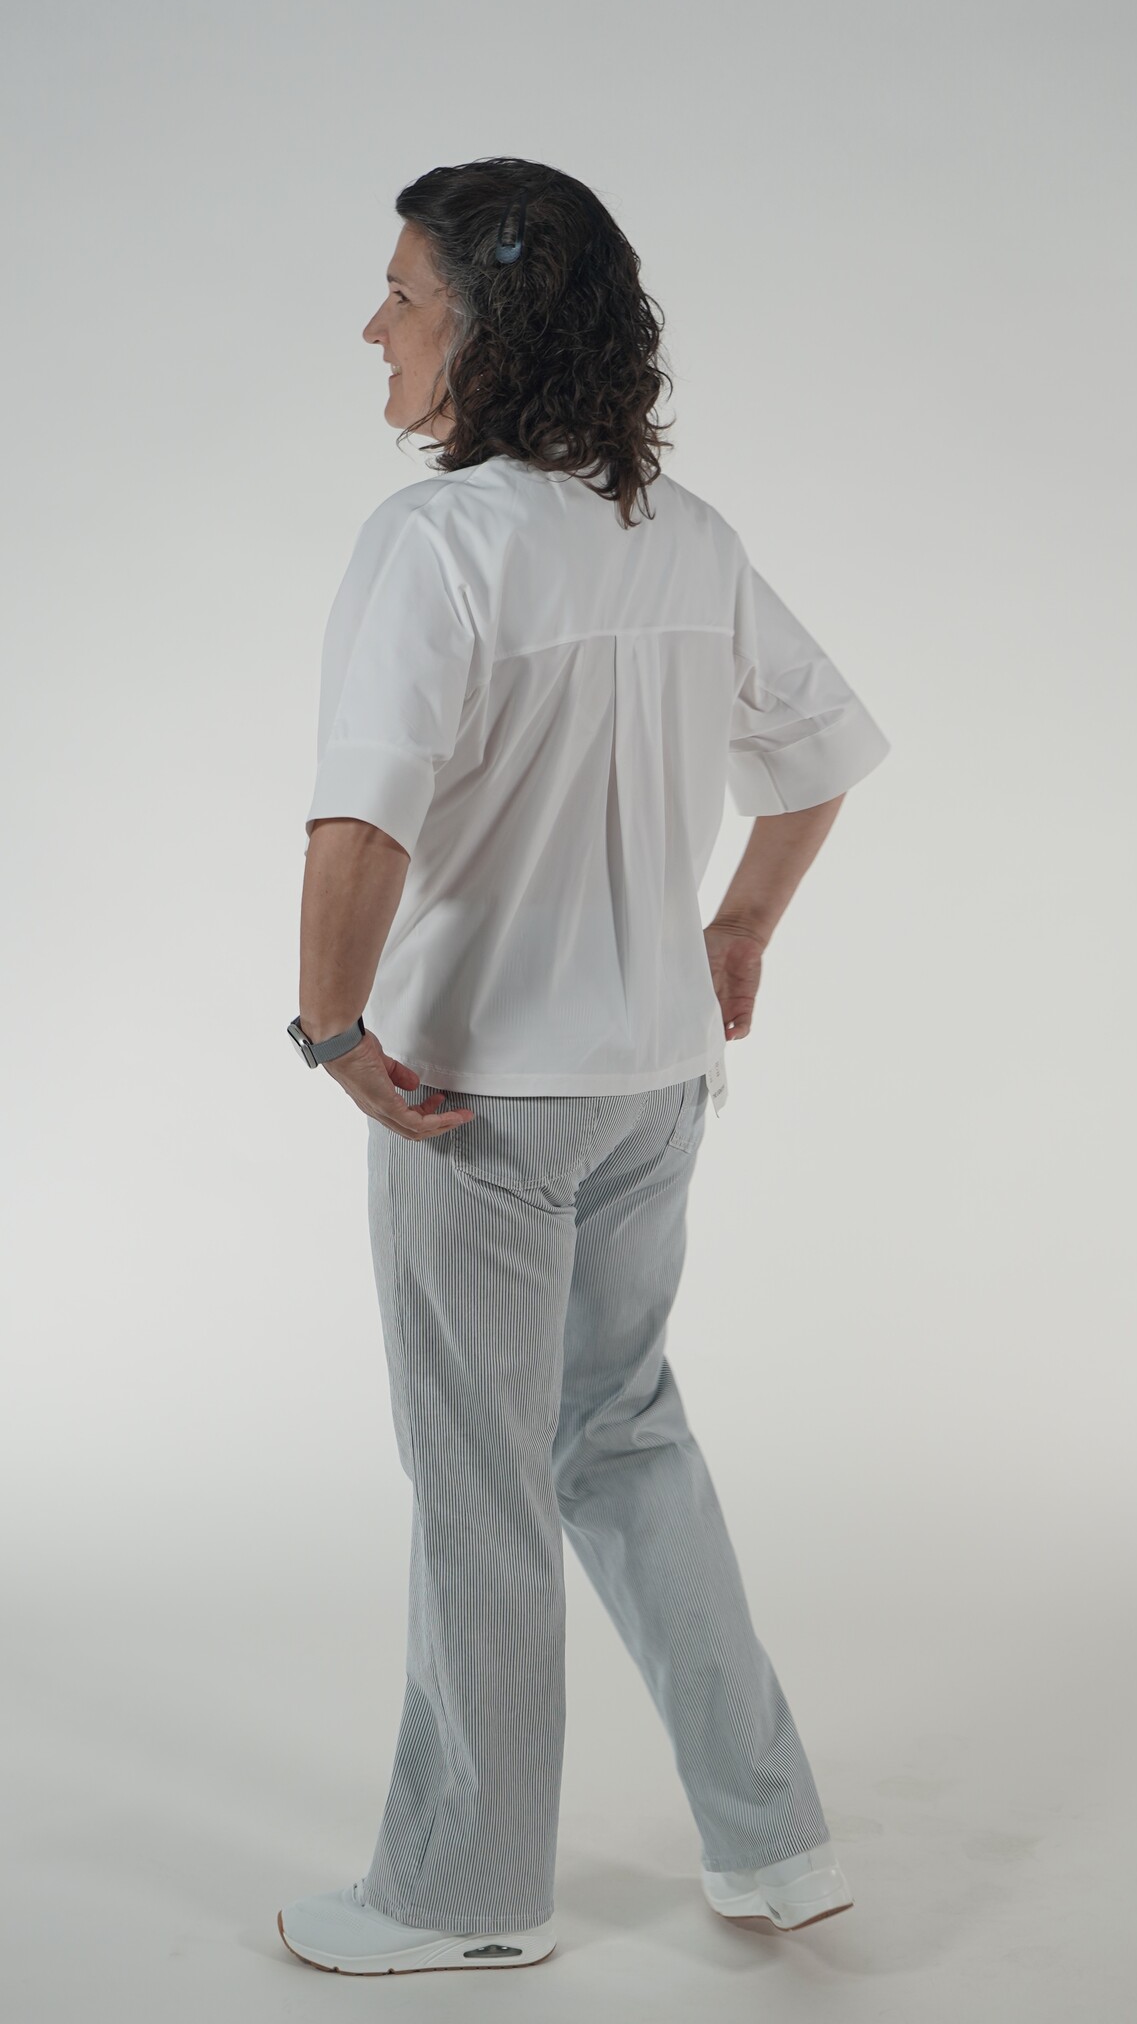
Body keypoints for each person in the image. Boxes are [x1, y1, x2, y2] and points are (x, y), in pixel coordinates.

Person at [277, 156, 891, 1976]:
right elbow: (820, 753)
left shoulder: (438, 542)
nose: (374, 327)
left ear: (490, 326)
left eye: (404, 295)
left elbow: (359, 823)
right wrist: (737, 930)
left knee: (481, 1482)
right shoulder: (680, 533)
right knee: (620, 1437)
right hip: (652, 1082)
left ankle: (462, 1896)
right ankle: (773, 1840)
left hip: (475, 1093)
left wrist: (331, 1033)